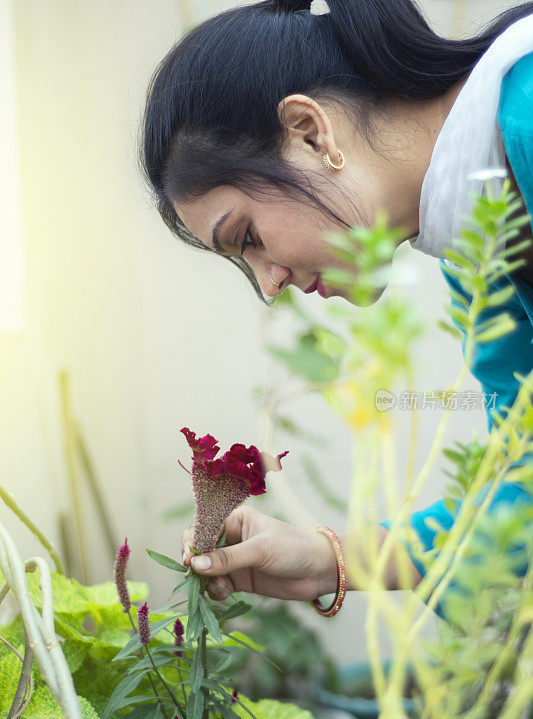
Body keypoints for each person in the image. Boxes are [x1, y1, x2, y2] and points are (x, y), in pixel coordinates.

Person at [140, 0, 533, 616]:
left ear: (309, 131)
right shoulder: (478, 245)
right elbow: (526, 488)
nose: (269, 286)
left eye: (247, 237)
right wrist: (328, 557)